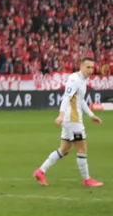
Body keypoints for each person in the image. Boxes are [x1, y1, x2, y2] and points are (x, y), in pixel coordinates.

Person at [34, 57, 103, 187]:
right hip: (73, 120)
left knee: (64, 149)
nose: (90, 70)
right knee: (82, 148)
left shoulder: (83, 80)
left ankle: (40, 171)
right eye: (88, 67)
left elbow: (81, 100)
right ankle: (87, 179)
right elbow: (66, 97)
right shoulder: (74, 79)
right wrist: (61, 115)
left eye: (92, 67)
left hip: (71, 120)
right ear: (81, 66)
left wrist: (91, 115)